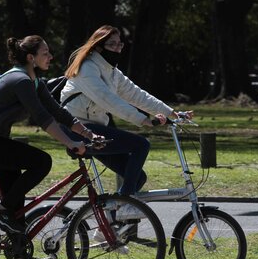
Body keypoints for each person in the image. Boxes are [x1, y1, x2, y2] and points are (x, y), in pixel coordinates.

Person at [0, 35, 100, 259]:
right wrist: (70, 142)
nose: (50, 57)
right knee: (41, 162)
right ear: (31, 57)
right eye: (45, 53)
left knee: (16, 208)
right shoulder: (20, 80)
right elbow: (42, 118)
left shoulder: (34, 81)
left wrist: (88, 134)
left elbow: (57, 111)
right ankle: (1, 211)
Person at [61, 25, 193, 206]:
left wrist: (171, 112)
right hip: (76, 129)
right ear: (98, 47)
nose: (117, 48)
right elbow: (108, 100)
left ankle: (109, 223)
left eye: (120, 44)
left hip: (94, 131)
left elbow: (137, 95)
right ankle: (125, 206)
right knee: (140, 145)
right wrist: (143, 120)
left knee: (137, 178)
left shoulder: (113, 72)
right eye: (112, 44)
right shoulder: (87, 69)